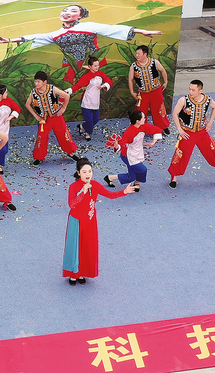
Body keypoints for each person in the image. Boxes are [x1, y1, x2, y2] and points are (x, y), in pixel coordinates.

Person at [0, 4, 161, 82]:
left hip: (93, 63)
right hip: (70, 66)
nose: (67, 13)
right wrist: (9, 41)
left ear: (79, 16)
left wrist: (141, 31)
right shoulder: (56, 34)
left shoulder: (88, 26)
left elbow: (111, 29)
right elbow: (35, 38)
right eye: (65, 10)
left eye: (73, 11)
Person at [63, 157, 135, 285]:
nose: (88, 174)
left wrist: (125, 191)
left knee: (87, 247)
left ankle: (82, 272)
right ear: (79, 173)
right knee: (75, 247)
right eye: (84, 172)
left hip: (90, 221)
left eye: (90, 171)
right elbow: (72, 204)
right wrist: (83, 192)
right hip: (76, 221)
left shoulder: (95, 185)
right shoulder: (74, 187)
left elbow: (110, 195)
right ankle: (74, 274)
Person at [168, 80, 215, 189]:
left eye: (193, 90)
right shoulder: (183, 100)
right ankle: (174, 177)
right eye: (189, 89)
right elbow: (175, 113)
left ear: (200, 90)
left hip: (202, 132)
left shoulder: (207, 99)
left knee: (212, 150)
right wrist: (179, 129)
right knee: (181, 154)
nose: (190, 92)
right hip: (187, 133)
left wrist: (210, 122)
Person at [25, 71, 79, 165]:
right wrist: (36, 116)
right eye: (35, 81)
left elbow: (66, 96)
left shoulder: (52, 89)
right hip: (44, 120)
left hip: (56, 117)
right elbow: (27, 104)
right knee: (41, 137)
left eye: (38, 81)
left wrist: (63, 108)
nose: (36, 83)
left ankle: (71, 153)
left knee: (63, 134)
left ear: (44, 82)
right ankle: (39, 157)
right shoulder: (33, 92)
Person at [103, 110, 162, 192]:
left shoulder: (144, 126)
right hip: (128, 156)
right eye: (143, 118)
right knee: (143, 169)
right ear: (138, 121)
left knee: (131, 177)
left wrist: (153, 142)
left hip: (137, 153)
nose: (145, 119)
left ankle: (110, 178)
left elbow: (157, 130)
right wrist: (117, 146)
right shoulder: (129, 132)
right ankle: (137, 181)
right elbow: (122, 143)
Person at [65, 56, 113, 142]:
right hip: (87, 101)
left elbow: (110, 82)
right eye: (95, 66)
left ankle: (82, 126)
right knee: (89, 120)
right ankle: (88, 133)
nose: (97, 67)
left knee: (96, 119)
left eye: (98, 65)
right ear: (90, 66)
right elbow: (77, 86)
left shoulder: (101, 74)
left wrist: (104, 85)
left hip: (96, 101)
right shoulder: (86, 77)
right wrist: (68, 91)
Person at [128, 45, 171, 134]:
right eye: (136, 53)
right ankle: (140, 128)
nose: (137, 55)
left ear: (145, 54)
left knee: (158, 109)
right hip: (142, 93)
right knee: (140, 111)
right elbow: (130, 79)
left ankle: (162, 127)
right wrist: (132, 92)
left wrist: (165, 82)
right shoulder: (133, 66)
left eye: (139, 53)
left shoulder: (154, 62)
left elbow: (163, 71)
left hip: (156, 91)